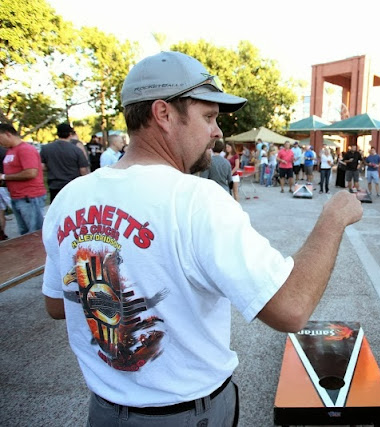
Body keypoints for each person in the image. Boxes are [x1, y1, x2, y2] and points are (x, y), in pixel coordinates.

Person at [41, 51, 363, 427]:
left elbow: (56, 304)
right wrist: (333, 218)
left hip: (105, 412)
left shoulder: (70, 198)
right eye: (208, 116)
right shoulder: (196, 199)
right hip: (188, 415)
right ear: (163, 114)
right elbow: (291, 308)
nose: (217, 131)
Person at [0, 123, 47, 235]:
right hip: (17, 197)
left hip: (29, 197)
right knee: (25, 233)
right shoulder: (11, 151)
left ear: (8, 134)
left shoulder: (25, 149)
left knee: (35, 233)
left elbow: (31, 172)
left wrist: (4, 177)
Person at [40, 123, 90, 202]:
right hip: (72, 186)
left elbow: (42, 167)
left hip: (54, 186)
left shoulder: (46, 148)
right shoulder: (76, 150)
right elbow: (83, 170)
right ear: (70, 134)